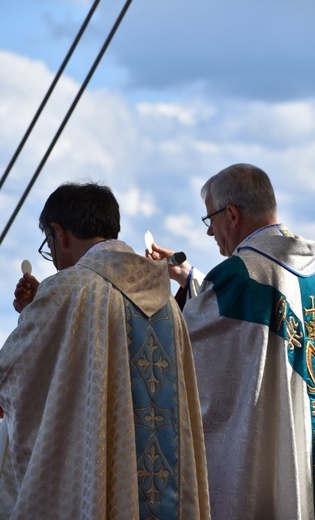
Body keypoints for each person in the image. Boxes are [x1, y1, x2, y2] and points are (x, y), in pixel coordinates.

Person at [0, 182, 210, 520]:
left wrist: (42, 309)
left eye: (49, 246)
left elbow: (13, 373)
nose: (53, 258)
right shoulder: (166, 300)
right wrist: (42, 306)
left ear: (59, 233)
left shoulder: (68, 289)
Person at [147, 163, 315, 520]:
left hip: (266, 454)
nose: (209, 233)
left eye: (209, 219)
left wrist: (143, 293)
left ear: (232, 215)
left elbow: (181, 344)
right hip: (311, 445)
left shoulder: (240, 275)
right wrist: (190, 277)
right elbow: (239, 320)